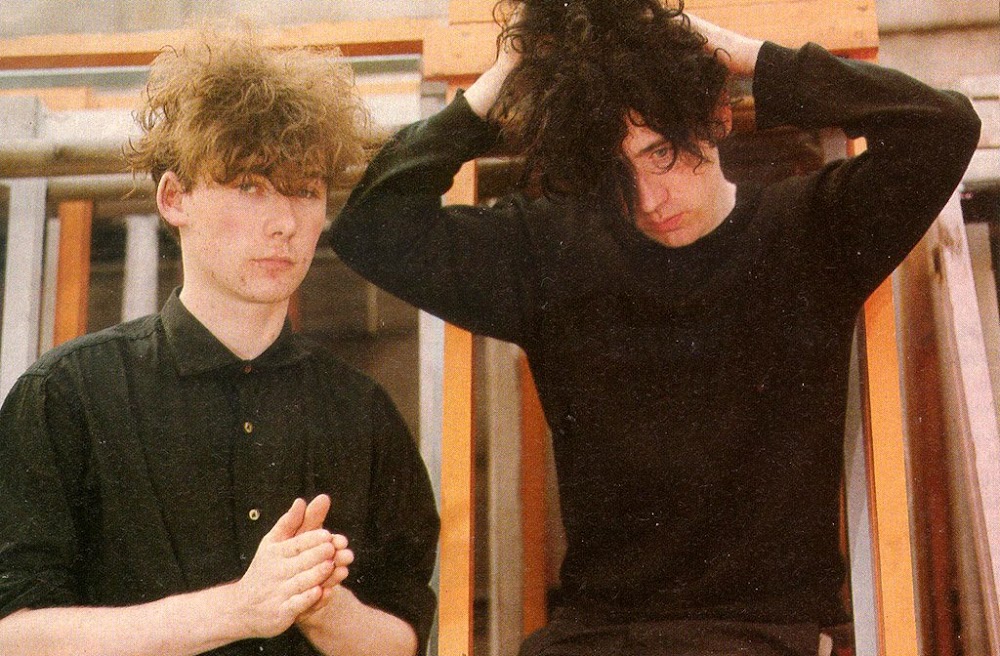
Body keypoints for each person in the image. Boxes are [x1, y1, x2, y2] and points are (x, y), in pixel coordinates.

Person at [330, 1, 981, 654]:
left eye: (662, 153)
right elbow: (370, 229)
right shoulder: (556, 251)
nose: (648, 199)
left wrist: (743, 54)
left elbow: (944, 127)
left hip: (764, 635)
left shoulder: (810, 233)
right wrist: (507, 72)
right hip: (598, 637)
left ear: (718, 115)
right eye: (617, 172)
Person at [0, 24, 438, 656]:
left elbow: (404, 638)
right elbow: (13, 633)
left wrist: (323, 607)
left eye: (305, 190)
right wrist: (238, 609)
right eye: (249, 186)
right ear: (174, 197)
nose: (284, 222)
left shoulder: (361, 410)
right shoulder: (66, 395)